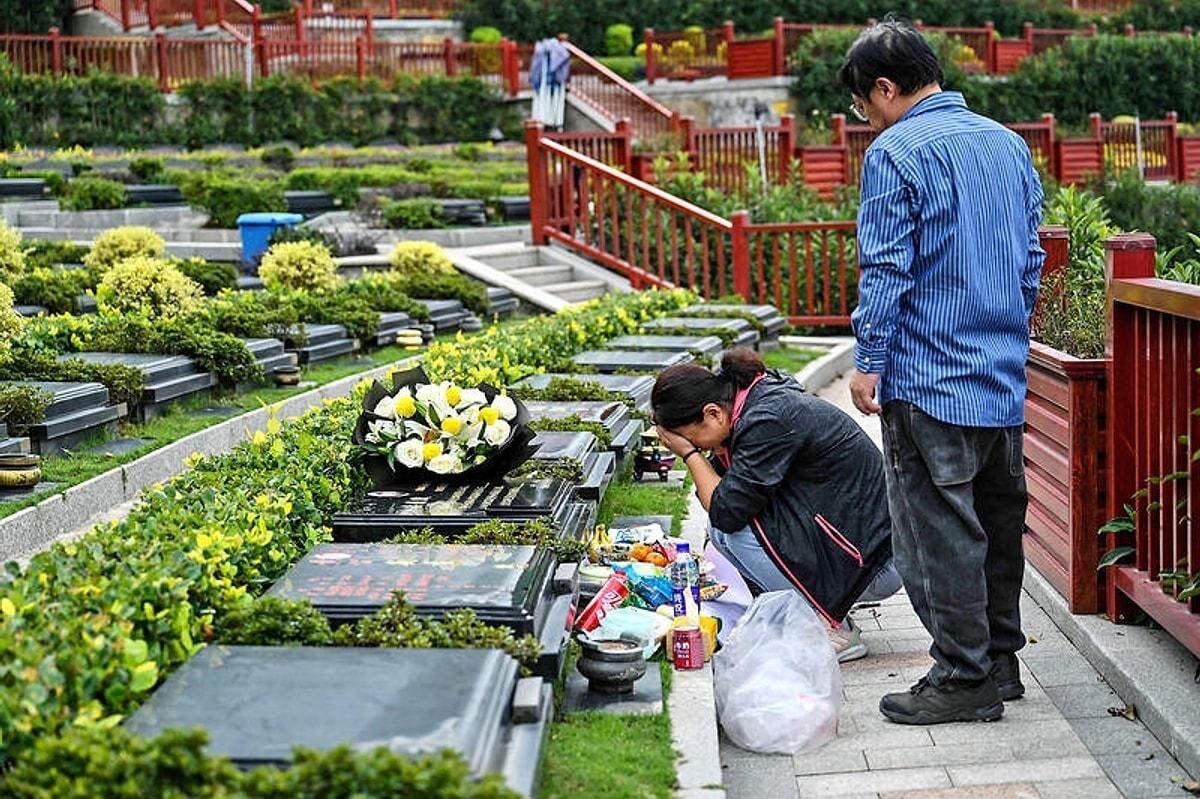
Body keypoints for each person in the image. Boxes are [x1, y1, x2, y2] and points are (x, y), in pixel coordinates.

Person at [841, 18, 1045, 724]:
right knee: (996, 518)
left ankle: (961, 677)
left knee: (937, 530)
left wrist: (869, 362)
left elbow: (887, 266)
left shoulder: (895, 153)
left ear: (886, 88)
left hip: (930, 377)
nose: (866, 120)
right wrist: (1007, 334)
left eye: (864, 105)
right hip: (1000, 375)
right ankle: (998, 662)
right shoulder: (1007, 143)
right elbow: (1031, 261)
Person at [652, 347, 901, 662]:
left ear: (714, 413)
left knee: (734, 531)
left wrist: (690, 456)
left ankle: (831, 630)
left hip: (875, 565)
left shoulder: (767, 420)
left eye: (692, 439)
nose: (699, 447)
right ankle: (803, 616)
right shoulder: (755, 402)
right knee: (728, 529)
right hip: (860, 550)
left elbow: (726, 511)